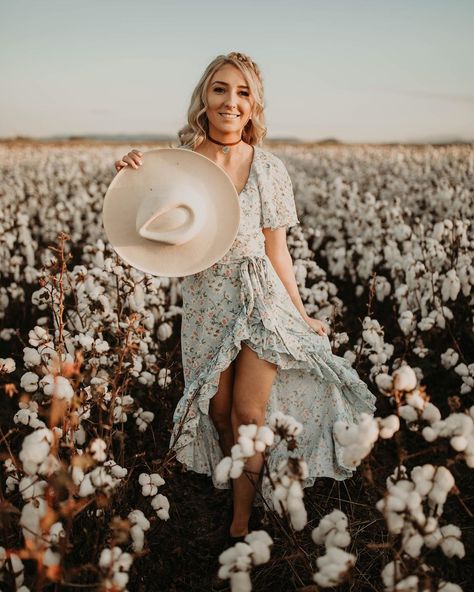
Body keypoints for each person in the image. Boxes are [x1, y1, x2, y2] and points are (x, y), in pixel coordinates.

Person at [115, 51, 377, 542]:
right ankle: (243, 481)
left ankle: (240, 522)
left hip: (260, 297)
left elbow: (278, 250)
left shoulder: (269, 169)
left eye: (242, 92)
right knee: (217, 413)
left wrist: (300, 314)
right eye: (220, 89)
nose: (230, 101)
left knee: (248, 414)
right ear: (205, 97)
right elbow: (144, 218)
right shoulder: (179, 162)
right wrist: (131, 170)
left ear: (254, 105)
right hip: (204, 299)